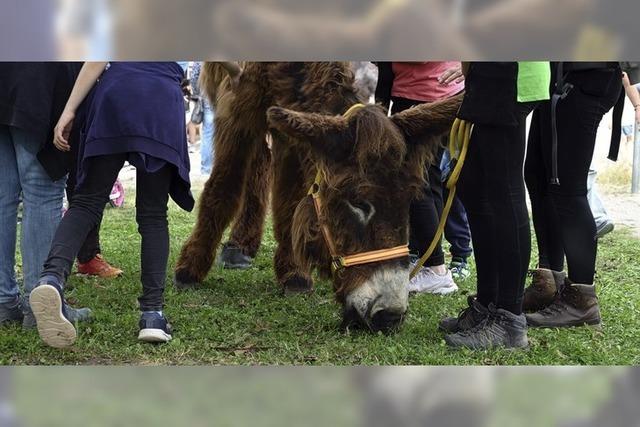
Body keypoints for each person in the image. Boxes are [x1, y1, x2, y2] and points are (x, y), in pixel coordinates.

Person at [29, 62, 194, 348]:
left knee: (86, 203)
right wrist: (235, 72)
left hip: (115, 95)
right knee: (153, 215)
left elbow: (97, 57)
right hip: (160, 100)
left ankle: (52, 278)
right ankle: (152, 315)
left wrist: (69, 109)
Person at [441, 62, 551, 350]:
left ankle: (510, 320)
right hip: (488, 74)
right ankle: (488, 304)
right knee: (475, 188)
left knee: (504, 192)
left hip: (511, 74)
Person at [523, 62, 623, 328]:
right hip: (557, 74)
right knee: (537, 176)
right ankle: (548, 281)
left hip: (586, 75)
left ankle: (582, 301)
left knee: (567, 189)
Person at [0, 63, 90, 329]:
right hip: (40, 81)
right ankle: (37, 303)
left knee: (3, 198)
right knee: (41, 192)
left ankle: (4, 300)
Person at [376, 62, 465, 295]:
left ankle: (436, 270)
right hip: (428, 93)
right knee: (428, 181)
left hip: (425, 98)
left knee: (416, 185)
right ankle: (432, 264)